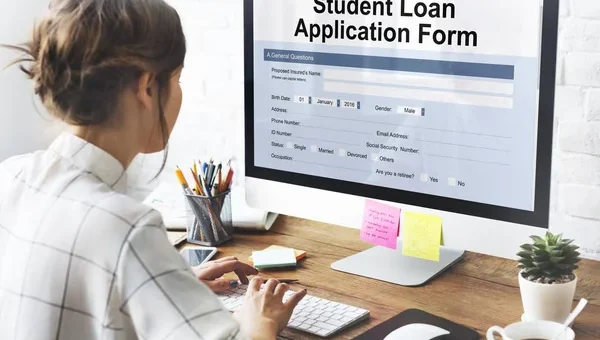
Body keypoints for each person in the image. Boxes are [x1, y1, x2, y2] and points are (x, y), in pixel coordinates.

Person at [0, 0, 306, 339]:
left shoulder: (10, 176)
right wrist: (261, 319)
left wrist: (166, 284)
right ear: (147, 88)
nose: (178, 92)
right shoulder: (125, 227)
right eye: (176, 78)